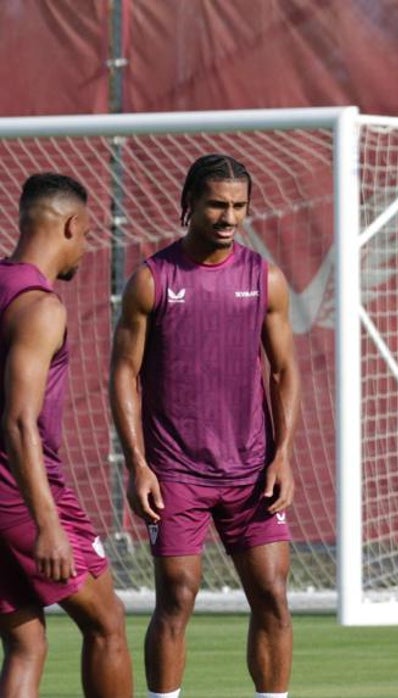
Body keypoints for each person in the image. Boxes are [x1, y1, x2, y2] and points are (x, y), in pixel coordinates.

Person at [110, 154, 301, 698]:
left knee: (271, 594)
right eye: (217, 204)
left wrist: (282, 454)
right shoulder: (151, 280)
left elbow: (284, 371)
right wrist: (138, 463)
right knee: (177, 596)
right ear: (188, 203)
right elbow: (123, 372)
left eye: (239, 206)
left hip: (252, 471)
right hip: (174, 472)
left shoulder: (265, 278)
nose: (228, 216)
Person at [0, 173, 132, 697]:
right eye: (89, 231)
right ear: (73, 225)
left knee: (27, 642)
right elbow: (18, 422)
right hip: (21, 494)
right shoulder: (41, 306)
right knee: (107, 623)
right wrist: (47, 523)